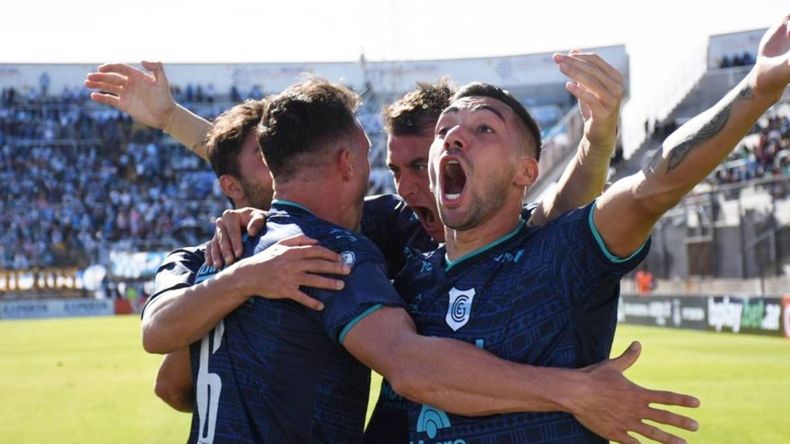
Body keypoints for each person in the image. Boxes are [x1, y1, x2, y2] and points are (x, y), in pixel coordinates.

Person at [86, 62, 699, 443]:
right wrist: (175, 124)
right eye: (395, 169)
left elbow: (563, 215)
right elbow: (292, 175)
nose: (407, 187)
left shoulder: (493, 233)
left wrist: (598, 136)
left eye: (417, 166)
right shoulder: (384, 228)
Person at [388, 14, 790, 443]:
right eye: (445, 129)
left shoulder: (563, 253)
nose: (453, 139)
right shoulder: (410, 280)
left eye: (484, 128)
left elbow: (654, 186)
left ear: (526, 171)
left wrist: (758, 87)